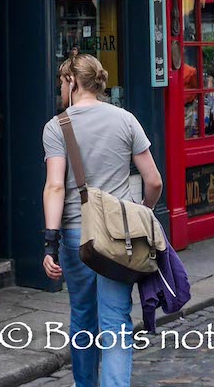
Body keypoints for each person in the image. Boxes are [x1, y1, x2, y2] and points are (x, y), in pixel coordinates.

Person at [42, 54, 163, 387]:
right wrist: (144, 210)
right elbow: (153, 181)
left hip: (76, 233)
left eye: (61, 83)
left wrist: (49, 244)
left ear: (72, 82)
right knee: (116, 320)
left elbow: (54, 185)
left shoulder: (57, 126)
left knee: (82, 316)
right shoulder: (125, 119)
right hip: (120, 235)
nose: (60, 89)